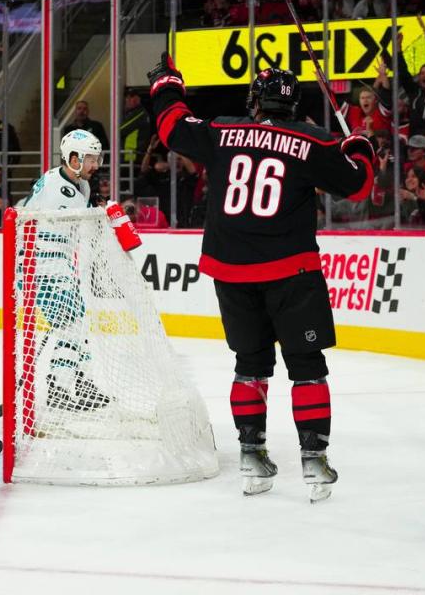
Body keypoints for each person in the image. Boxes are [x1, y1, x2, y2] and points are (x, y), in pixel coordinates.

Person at [145, 56, 374, 502]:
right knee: (306, 366)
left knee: (250, 365)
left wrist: (168, 84)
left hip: (230, 271)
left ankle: (252, 455)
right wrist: (360, 146)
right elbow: (360, 186)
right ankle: (314, 460)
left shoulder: (223, 132)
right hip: (291, 270)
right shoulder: (313, 140)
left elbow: (171, 127)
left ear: (256, 101)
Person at [20, 129, 111, 411]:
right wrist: (98, 210)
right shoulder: (59, 189)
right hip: (41, 266)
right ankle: (60, 385)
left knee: (77, 324)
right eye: (91, 159)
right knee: (71, 327)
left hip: (59, 265)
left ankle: (80, 383)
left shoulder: (78, 185)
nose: (96, 165)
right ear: (74, 159)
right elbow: (82, 215)